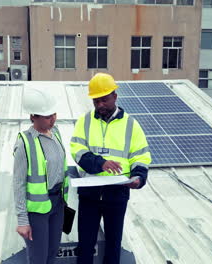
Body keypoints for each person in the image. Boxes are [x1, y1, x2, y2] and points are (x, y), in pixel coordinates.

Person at [70, 73, 152, 264]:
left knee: (113, 245)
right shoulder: (85, 121)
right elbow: (77, 150)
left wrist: (138, 177)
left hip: (117, 194)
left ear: (115, 96)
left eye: (104, 100)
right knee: (85, 245)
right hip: (89, 194)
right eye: (96, 101)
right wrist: (100, 163)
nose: (100, 105)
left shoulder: (131, 125)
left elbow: (141, 156)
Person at [13, 87, 70, 264]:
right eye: (46, 116)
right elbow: (18, 183)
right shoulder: (25, 142)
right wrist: (22, 220)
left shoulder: (57, 133)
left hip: (58, 204)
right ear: (33, 117)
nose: (52, 119)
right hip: (38, 211)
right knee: (39, 257)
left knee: (52, 253)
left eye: (53, 114)